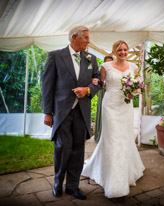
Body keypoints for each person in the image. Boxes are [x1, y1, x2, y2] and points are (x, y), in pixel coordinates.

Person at [42, 25, 102, 200]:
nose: (88, 41)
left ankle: (73, 186)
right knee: (62, 148)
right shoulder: (55, 56)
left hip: (81, 111)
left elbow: (98, 82)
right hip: (62, 111)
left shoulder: (91, 59)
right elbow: (47, 86)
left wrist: (88, 90)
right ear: (74, 37)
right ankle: (57, 182)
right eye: (86, 37)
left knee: (78, 149)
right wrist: (48, 112)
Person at [82, 40, 145, 198]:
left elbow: (138, 86)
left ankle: (125, 172)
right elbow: (101, 84)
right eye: (119, 50)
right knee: (112, 139)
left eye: (125, 50)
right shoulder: (106, 67)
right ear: (114, 51)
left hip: (126, 106)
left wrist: (134, 93)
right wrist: (93, 82)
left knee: (124, 138)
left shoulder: (134, 67)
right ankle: (112, 179)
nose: (123, 52)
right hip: (110, 105)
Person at [94, 55, 113, 143]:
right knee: (101, 113)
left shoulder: (114, 69)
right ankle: (99, 134)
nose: (108, 64)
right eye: (107, 62)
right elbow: (97, 81)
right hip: (102, 93)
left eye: (110, 62)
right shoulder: (101, 70)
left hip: (112, 94)